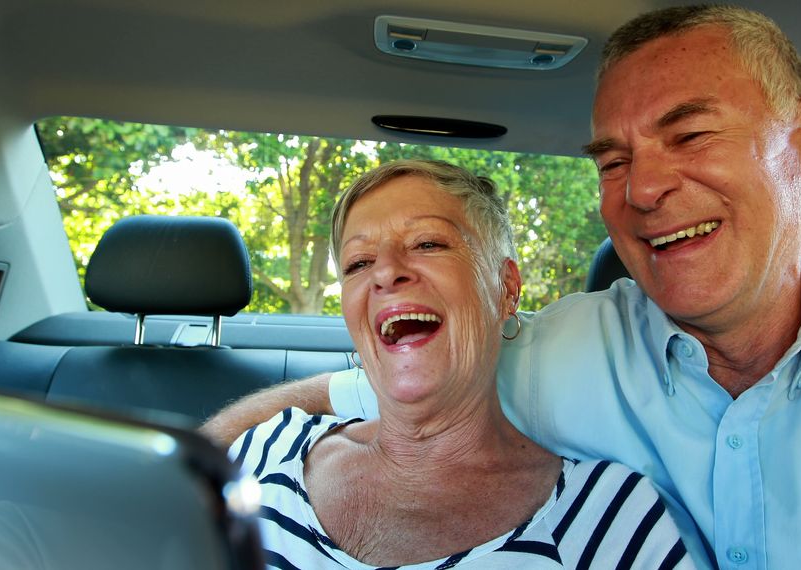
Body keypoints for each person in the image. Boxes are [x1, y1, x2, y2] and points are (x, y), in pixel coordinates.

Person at [204, 6, 801, 568]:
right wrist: (180, 466)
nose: (645, 189)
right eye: (613, 161)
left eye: (689, 135)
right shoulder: (553, 350)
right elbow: (383, 392)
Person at [229, 159, 706, 568]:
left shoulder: (612, 515)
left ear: (505, 290)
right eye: (358, 263)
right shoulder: (268, 447)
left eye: (428, 243)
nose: (386, 271)